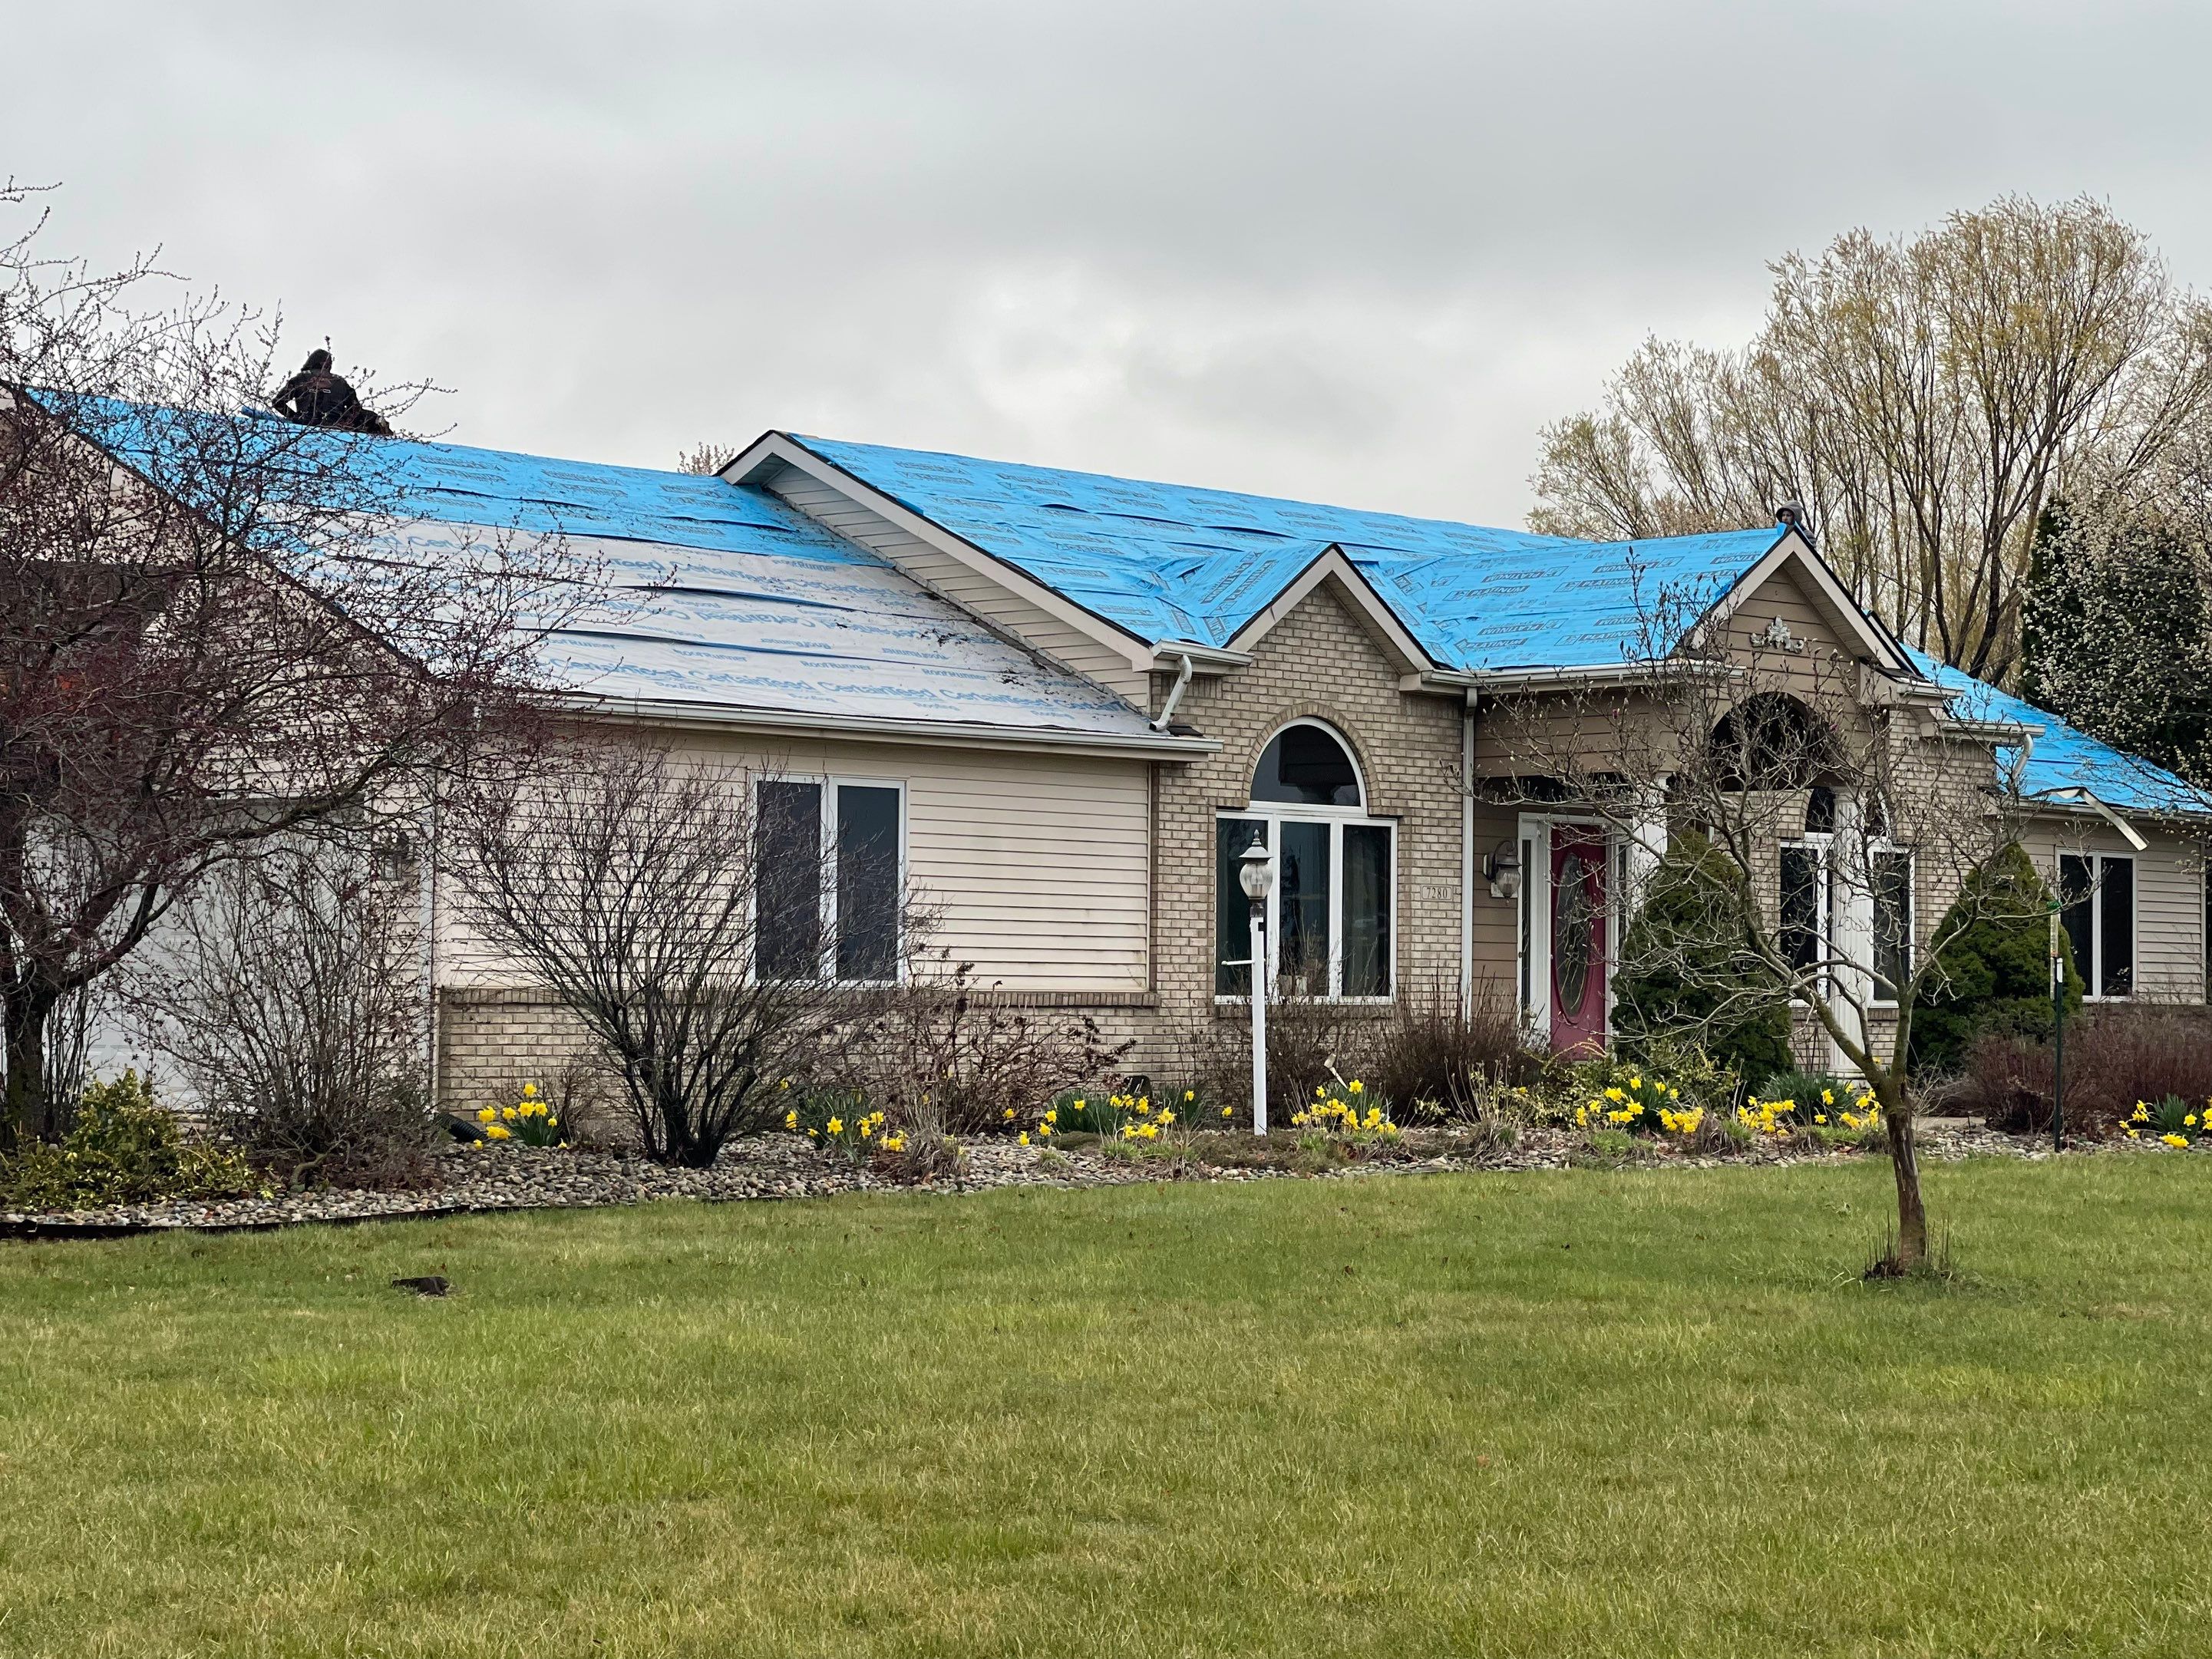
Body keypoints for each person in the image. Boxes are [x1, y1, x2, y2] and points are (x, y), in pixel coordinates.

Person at [269, 348, 391, 434]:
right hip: (335, 425)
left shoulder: (301, 378)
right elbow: (355, 410)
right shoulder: (341, 382)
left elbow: (278, 402)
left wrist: (295, 417)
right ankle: (379, 426)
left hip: (305, 422)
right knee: (369, 417)